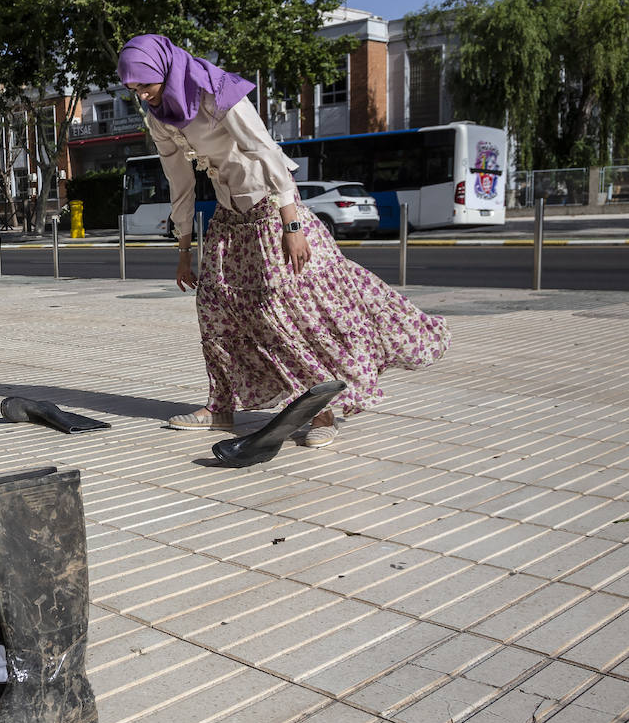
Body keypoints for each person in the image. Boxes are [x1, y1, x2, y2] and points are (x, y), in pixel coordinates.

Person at [118, 34, 449, 447]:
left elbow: (266, 151)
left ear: (165, 69)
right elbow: (179, 180)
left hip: (271, 208)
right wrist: (184, 249)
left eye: (145, 84)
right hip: (229, 213)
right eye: (133, 89)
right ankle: (220, 408)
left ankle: (322, 413)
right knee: (214, 306)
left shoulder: (216, 92)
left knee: (288, 310)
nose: (141, 94)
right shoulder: (160, 116)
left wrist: (291, 225)